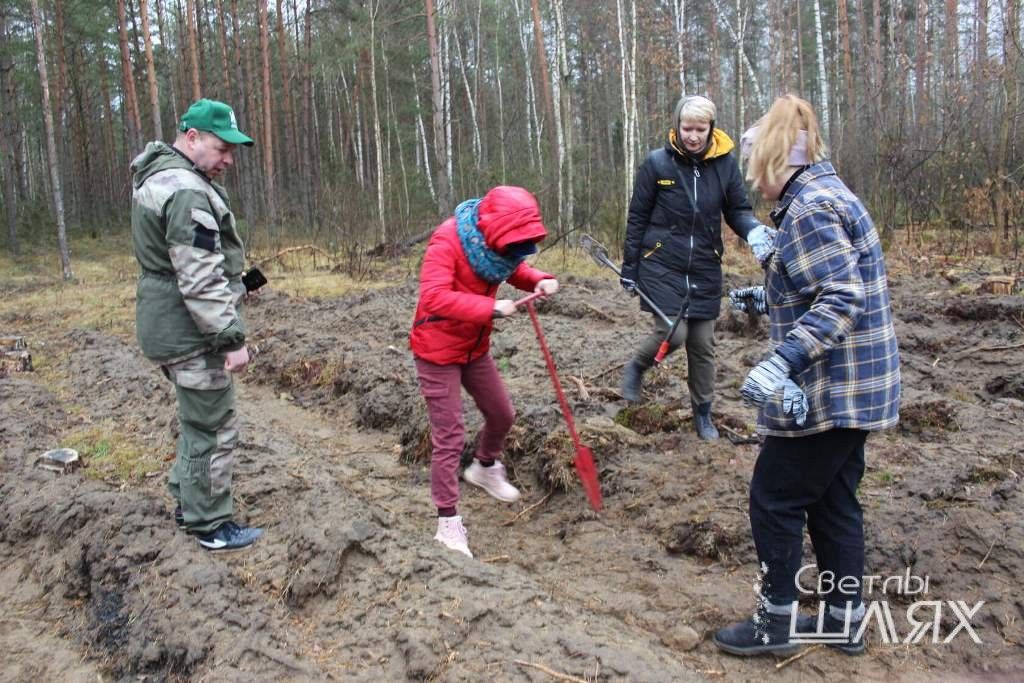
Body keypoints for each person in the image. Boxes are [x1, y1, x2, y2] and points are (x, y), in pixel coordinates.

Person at [713, 94, 900, 656]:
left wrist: (782, 360)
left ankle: (775, 624)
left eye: (756, 173)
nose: (754, 186)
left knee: (774, 497)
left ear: (776, 161)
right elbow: (816, 287)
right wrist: (765, 298)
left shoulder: (812, 207)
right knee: (834, 500)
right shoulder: (823, 193)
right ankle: (844, 621)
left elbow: (842, 297)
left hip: (831, 388)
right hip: (860, 386)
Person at [131, 98, 264, 552]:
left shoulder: (163, 177)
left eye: (233, 151)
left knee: (197, 421)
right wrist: (231, 339)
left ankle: (189, 503)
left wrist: (239, 284)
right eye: (222, 148)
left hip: (169, 323)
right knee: (214, 424)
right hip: (189, 331)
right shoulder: (186, 189)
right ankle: (209, 526)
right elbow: (198, 277)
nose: (229, 159)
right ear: (191, 138)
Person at [410, 186, 559, 558]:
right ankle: (447, 522)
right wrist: (488, 308)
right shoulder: (447, 240)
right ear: (496, 229)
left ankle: (484, 467)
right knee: (449, 436)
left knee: (502, 413)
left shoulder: (497, 247)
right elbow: (433, 296)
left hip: (473, 348)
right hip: (436, 350)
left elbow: (515, 267)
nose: (515, 249)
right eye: (515, 241)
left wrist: (538, 278)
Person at [619, 95, 775, 439]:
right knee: (674, 332)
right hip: (660, 262)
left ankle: (702, 414)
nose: (692, 136)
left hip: (704, 264)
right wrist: (629, 266)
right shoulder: (657, 165)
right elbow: (637, 217)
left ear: (711, 129)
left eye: (700, 129)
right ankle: (637, 367)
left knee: (702, 344)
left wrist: (754, 232)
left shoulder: (725, 165)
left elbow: (737, 209)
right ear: (677, 126)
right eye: (686, 128)